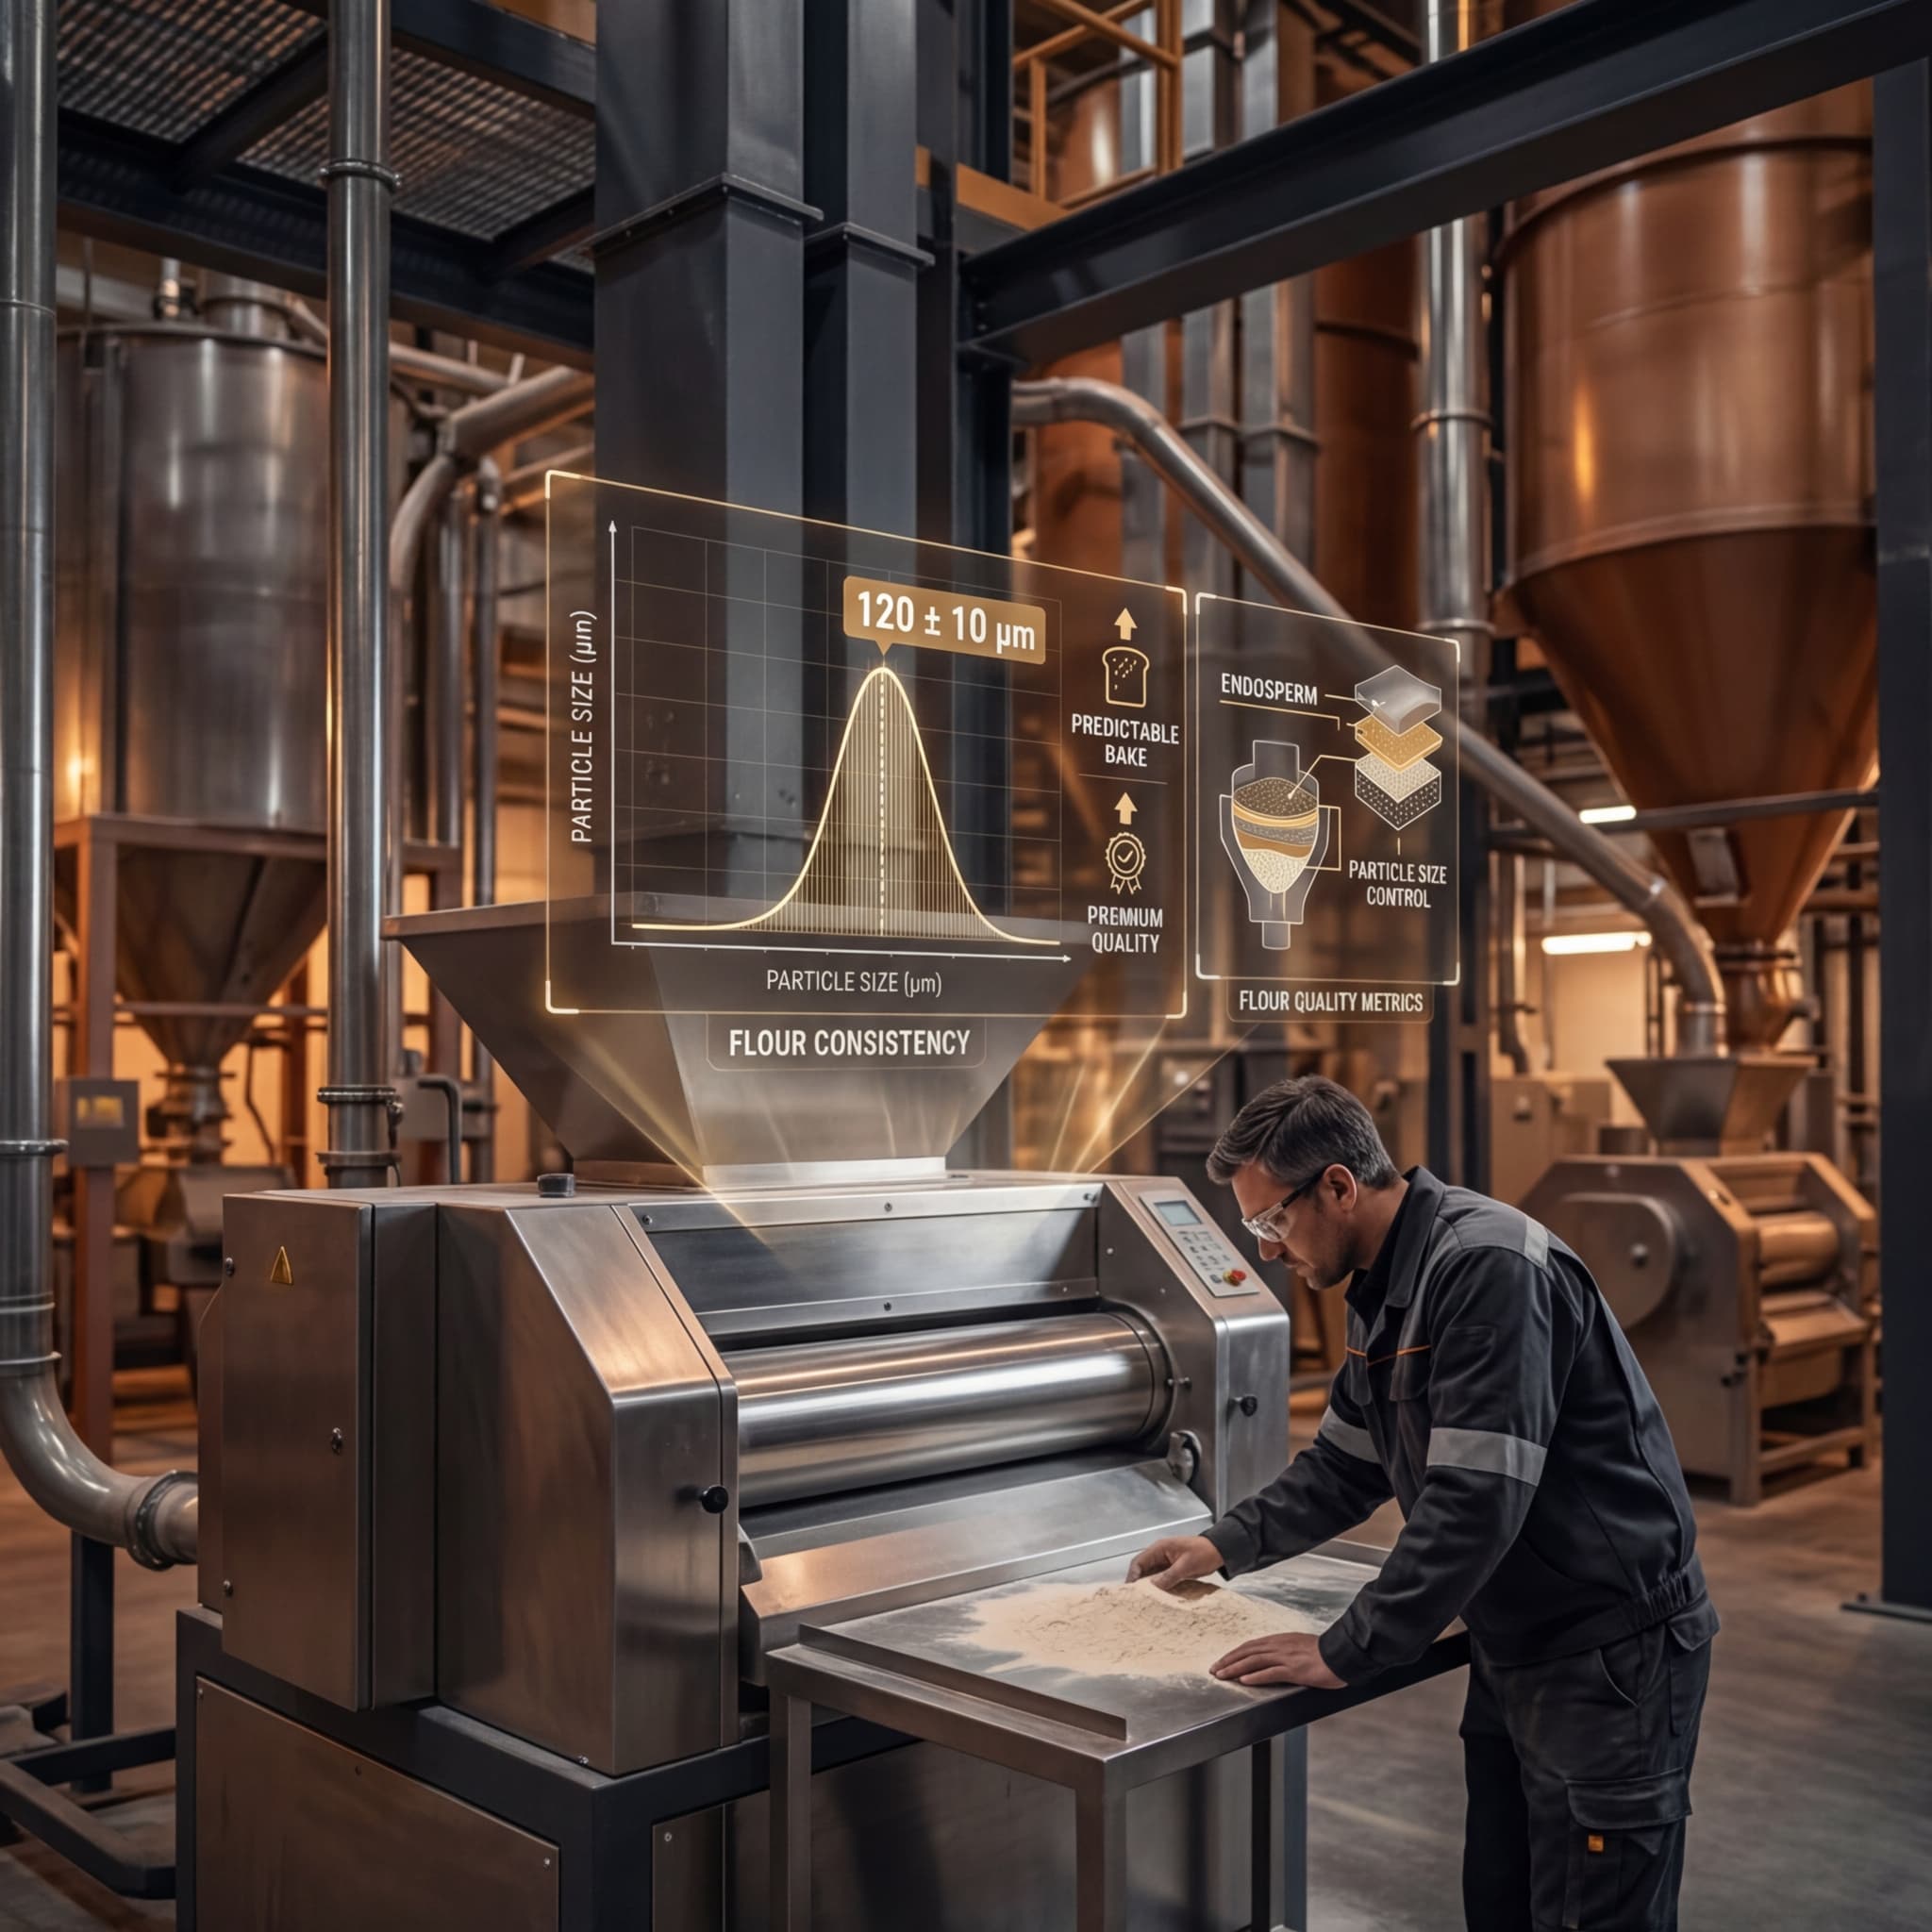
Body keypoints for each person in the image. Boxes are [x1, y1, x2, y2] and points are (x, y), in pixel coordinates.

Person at [1128, 1074, 1717, 1932]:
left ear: (1337, 1185)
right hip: (1518, 1644)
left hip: (1609, 1658)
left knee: (1594, 1913)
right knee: (1506, 1902)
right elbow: (1343, 1465)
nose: (1264, 1251)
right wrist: (1221, 1546)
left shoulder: (1485, 1269)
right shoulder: (1383, 1285)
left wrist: (1350, 1647)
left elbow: (1476, 1500)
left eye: (1270, 1222)